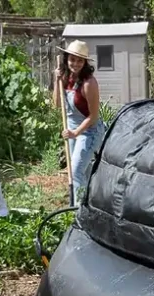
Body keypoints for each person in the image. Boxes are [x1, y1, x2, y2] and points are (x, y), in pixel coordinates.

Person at [53, 40, 105, 206]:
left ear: (85, 62)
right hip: (72, 130)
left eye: (79, 60)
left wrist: (76, 133)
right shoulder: (65, 78)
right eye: (72, 59)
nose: (75, 63)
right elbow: (57, 104)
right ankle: (92, 201)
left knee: (76, 172)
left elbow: (94, 116)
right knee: (82, 171)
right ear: (66, 59)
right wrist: (56, 81)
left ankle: (78, 211)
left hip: (89, 131)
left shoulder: (89, 83)